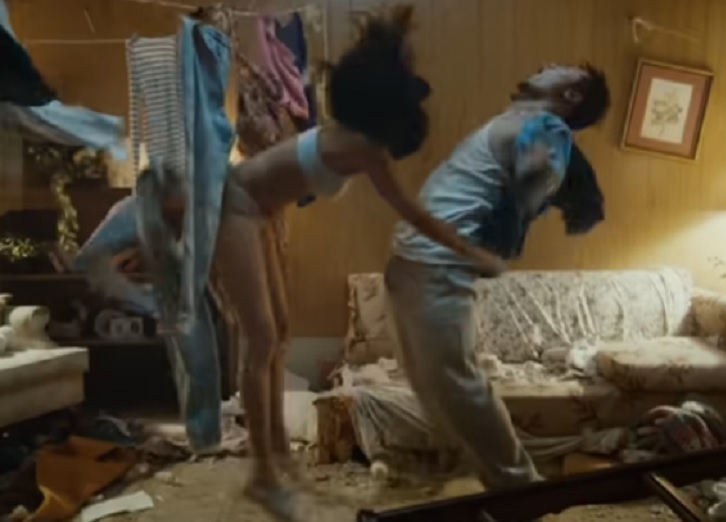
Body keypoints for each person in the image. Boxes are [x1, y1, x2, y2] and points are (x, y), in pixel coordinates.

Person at [143, 6, 501, 521]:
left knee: (280, 332)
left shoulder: (361, 144)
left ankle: (276, 453)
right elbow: (413, 213)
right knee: (262, 338)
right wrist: (472, 253)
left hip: (259, 212)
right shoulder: (360, 147)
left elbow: (410, 210)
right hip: (232, 208)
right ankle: (262, 476)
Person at [385, 62, 611, 491]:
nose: (548, 65)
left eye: (561, 69)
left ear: (572, 95)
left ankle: (520, 489)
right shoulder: (518, 120)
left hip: (438, 265)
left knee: (458, 383)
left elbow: (533, 186)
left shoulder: (547, 128)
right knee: (429, 382)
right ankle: (457, 473)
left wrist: (493, 245)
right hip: (411, 261)